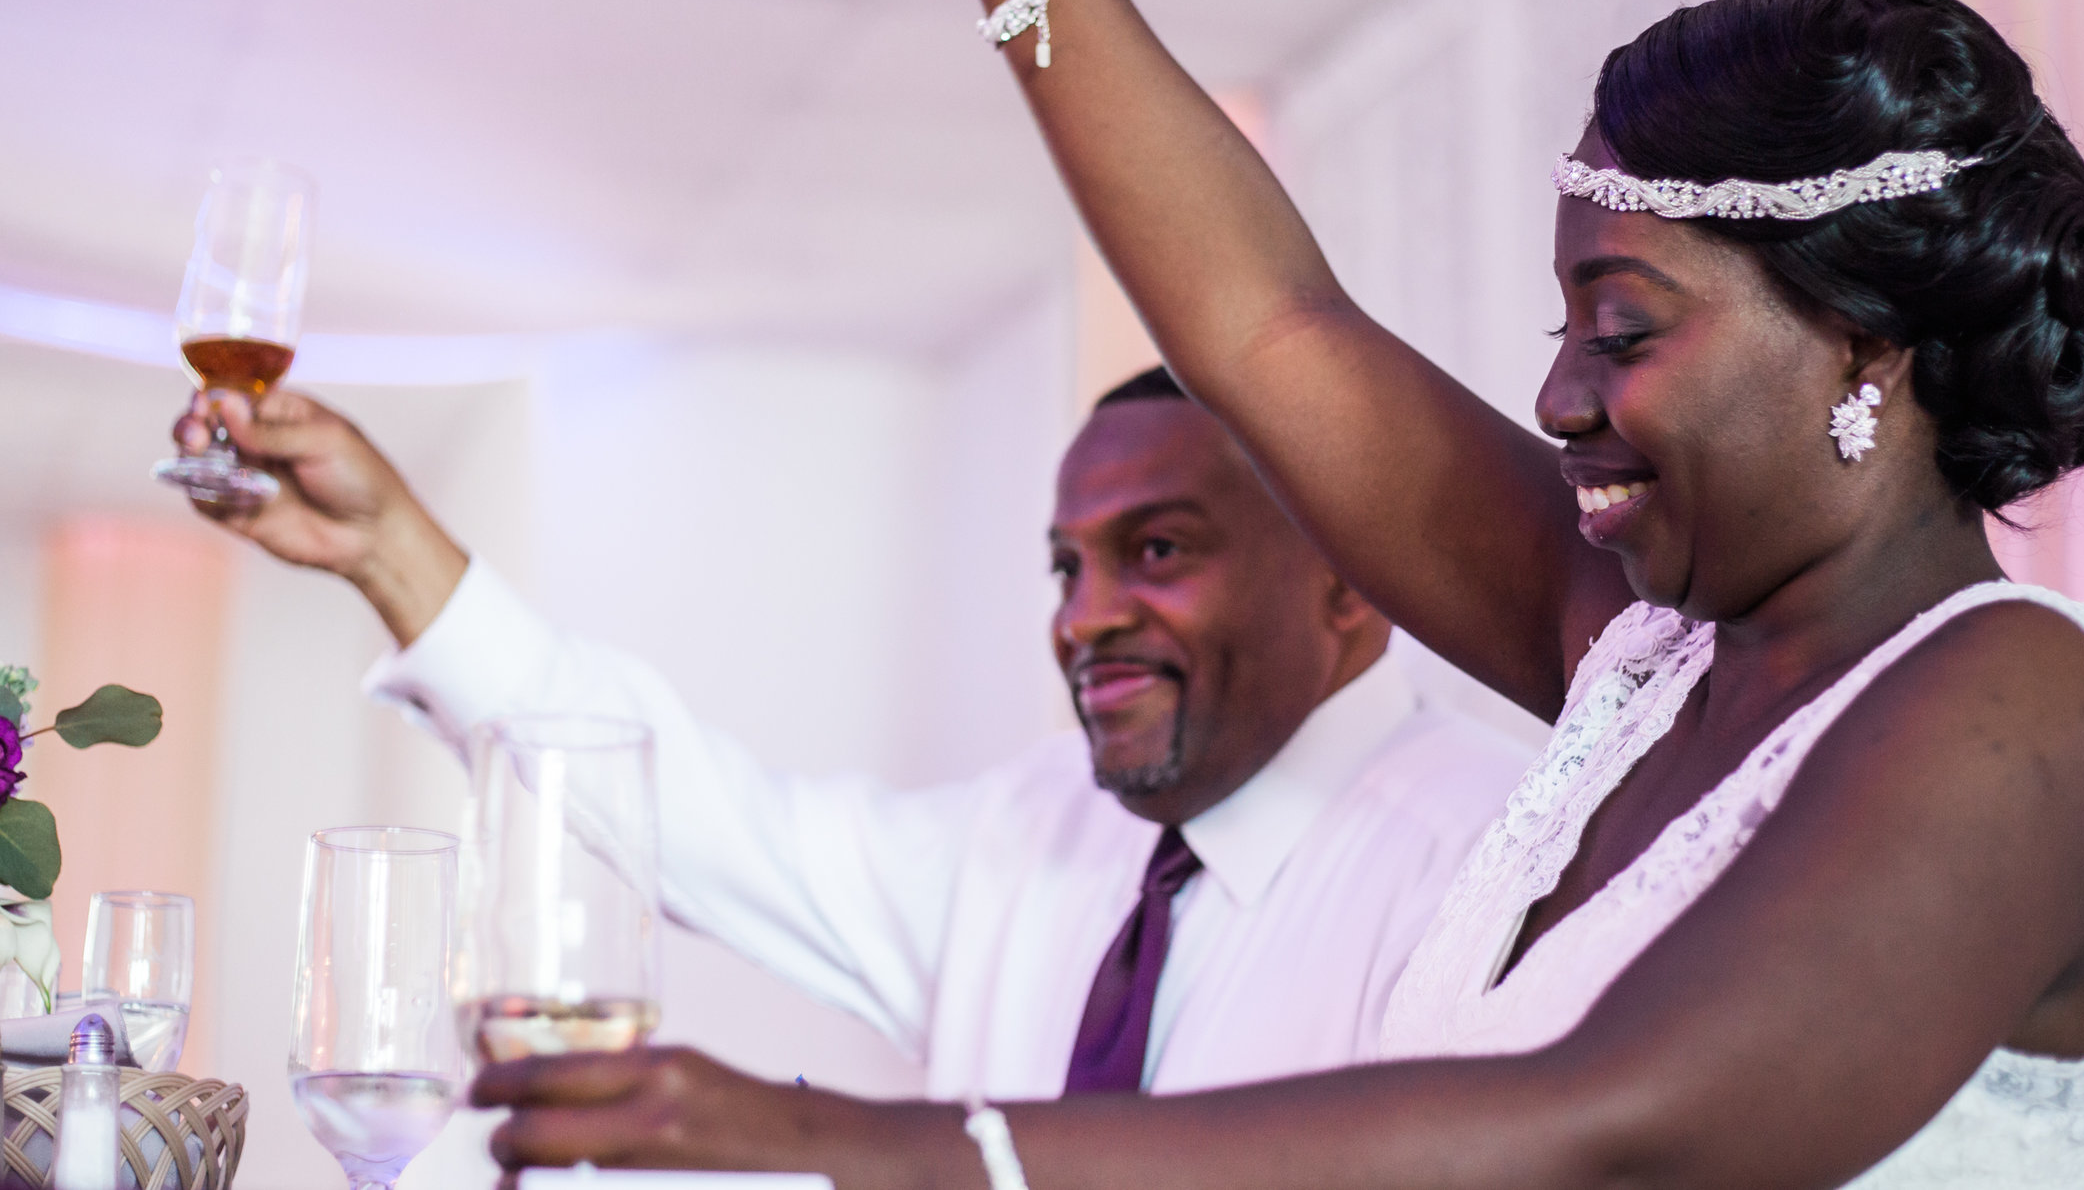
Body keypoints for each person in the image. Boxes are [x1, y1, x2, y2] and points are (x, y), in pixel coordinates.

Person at [459, 0, 2084, 1190]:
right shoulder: (1648, 668)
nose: (1560, 394)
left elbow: (1615, 1129)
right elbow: (1271, 328)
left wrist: (879, 1143)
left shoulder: (2017, 702)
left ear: (1863, 350)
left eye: (1623, 325)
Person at [174, 365, 1528, 1099]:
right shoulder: (1028, 835)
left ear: (1353, 579)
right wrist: (394, 554)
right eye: (1066, 569)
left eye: (1158, 550)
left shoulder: (1496, 858)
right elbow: (697, 824)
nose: (1085, 619)